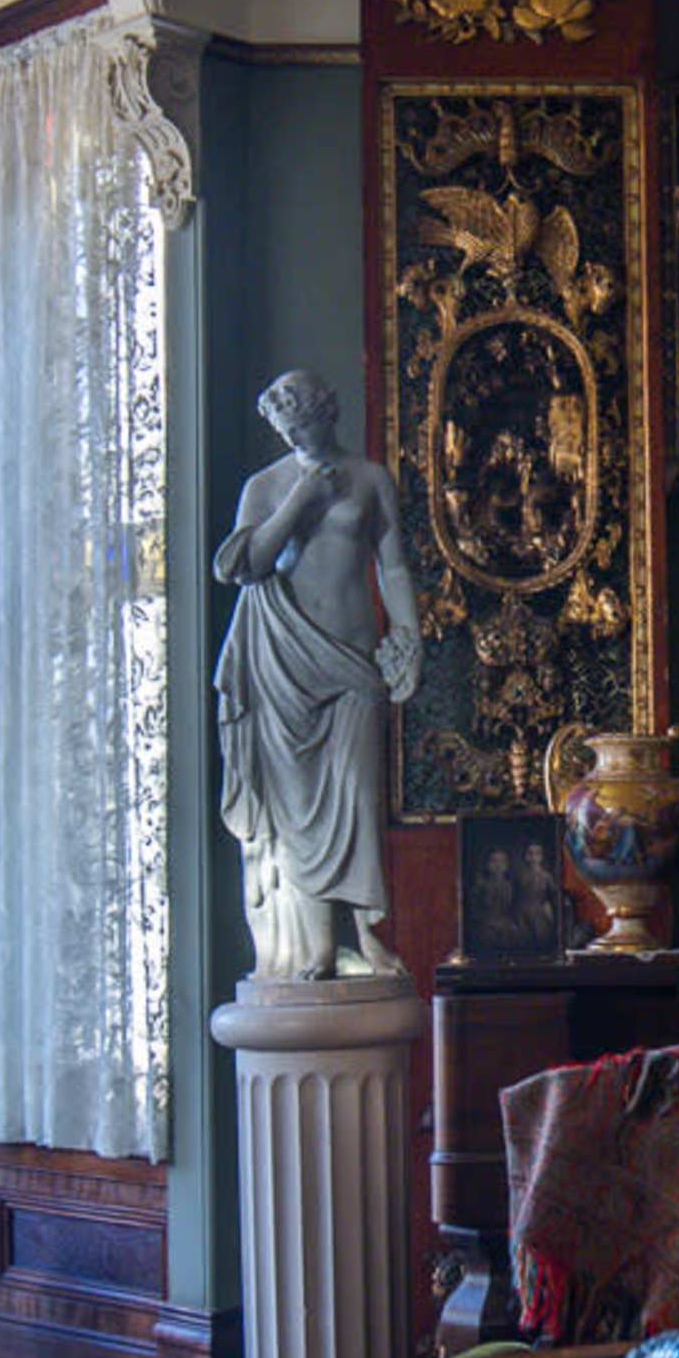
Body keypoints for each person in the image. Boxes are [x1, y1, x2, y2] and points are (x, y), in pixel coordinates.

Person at [211, 369, 422, 980]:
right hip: (282, 661)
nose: (295, 435)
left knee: (357, 795)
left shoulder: (370, 479)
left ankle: (367, 934)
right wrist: (302, 498)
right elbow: (246, 563)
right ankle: (318, 945)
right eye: (285, 428)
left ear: (328, 413)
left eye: (303, 423)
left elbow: (394, 568)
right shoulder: (266, 485)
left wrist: (407, 636)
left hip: (353, 659)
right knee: (293, 808)